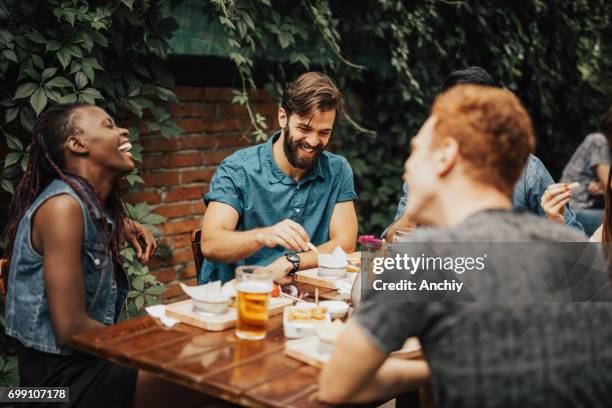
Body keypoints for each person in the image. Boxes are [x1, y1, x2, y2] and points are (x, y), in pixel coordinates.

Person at [318, 85, 612, 406]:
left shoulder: (424, 256)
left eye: (416, 150)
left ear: (445, 156)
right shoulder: (577, 250)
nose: (408, 167)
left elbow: (336, 385)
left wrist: (436, 367)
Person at [3, 103, 206, 408]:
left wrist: (119, 223)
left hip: (84, 368)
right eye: (108, 125)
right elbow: (71, 329)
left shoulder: (83, 208)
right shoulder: (63, 208)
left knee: (205, 375)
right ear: (77, 143)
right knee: (201, 378)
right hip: (53, 389)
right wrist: (152, 338)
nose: (122, 130)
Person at [384, 67, 583, 241]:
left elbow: (578, 248)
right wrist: (416, 210)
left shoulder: (527, 169)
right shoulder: (429, 169)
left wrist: (555, 223)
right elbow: (393, 242)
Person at [199, 72, 358, 284]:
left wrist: (290, 261)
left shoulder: (337, 170)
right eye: (304, 128)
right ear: (283, 117)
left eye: (324, 132)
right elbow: (210, 244)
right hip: (237, 298)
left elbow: (346, 243)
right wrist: (262, 235)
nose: (312, 141)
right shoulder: (238, 169)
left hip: (302, 300)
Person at [561, 107, 612, 236]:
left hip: (589, 207)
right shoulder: (598, 140)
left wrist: (599, 186)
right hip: (574, 209)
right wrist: (602, 186)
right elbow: (609, 184)